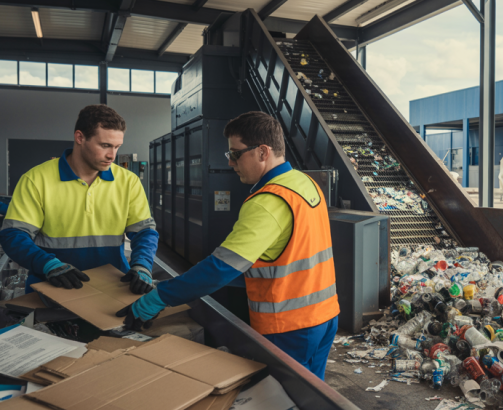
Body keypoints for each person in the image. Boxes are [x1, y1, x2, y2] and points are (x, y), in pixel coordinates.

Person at [119, 112, 339, 380]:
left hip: (290, 325)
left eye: (235, 154)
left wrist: (160, 297)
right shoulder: (303, 182)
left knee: (283, 399)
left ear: (262, 152)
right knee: (313, 398)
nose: (231, 163)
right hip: (325, 315)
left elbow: (219, 269)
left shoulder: (268, 201)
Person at [0, 105, 157, 296]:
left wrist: (142, 265)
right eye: (105, 145)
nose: (112, 155)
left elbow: (144, 231)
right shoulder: (36, 179)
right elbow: (14, 234)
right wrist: (47, 264)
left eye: (117, 147)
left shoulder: (128, 181)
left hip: (111, 290)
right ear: (80, 137)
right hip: (51, 290)